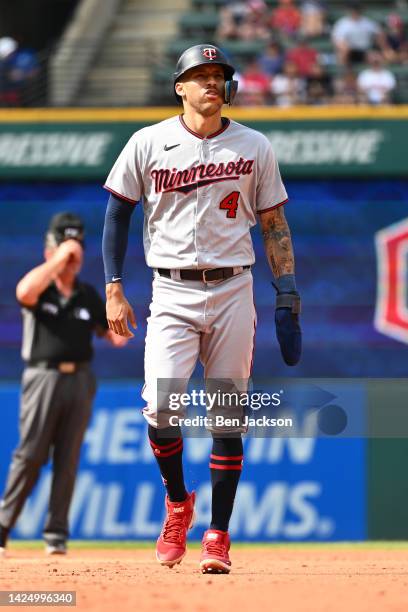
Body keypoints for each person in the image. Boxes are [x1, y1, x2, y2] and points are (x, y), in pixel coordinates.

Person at [102, 44, 301, 574]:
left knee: (227, 412)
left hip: (234, 286)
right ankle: (176, 502)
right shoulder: (149, 141)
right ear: (180, 87)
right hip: (170, 290)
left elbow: (275, 224)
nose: (211, 83)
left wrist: (287, 290)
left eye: (219, 75)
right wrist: (113, 286)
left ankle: (218, 534)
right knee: (162, 407)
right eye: (200, 75)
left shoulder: (254, 145)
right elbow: (117, 214)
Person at [0, 212, 127, 557]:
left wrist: (127, 316)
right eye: (66, 246)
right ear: (50, 250)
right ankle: (2, 526)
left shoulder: (87, 295)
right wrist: (59, 258)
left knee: (67, 459)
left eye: (78, 247)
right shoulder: (41, 288)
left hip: (81, 379)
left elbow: (116, 338)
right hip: (43, 376)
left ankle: (56, 534)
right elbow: (23, 291)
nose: (74, 254)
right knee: (30, 454)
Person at [332, 2, 385, 66]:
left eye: (356, 9)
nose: (354, 11)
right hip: (350, 52)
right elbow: (337, 41)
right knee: (343, 53)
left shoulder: (367, 22)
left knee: (377, 57)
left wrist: (383, 47)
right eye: (353, 9)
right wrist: (345, 48)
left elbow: (379, 34)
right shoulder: (342, 24)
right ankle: (345, 74)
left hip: (365, 51)